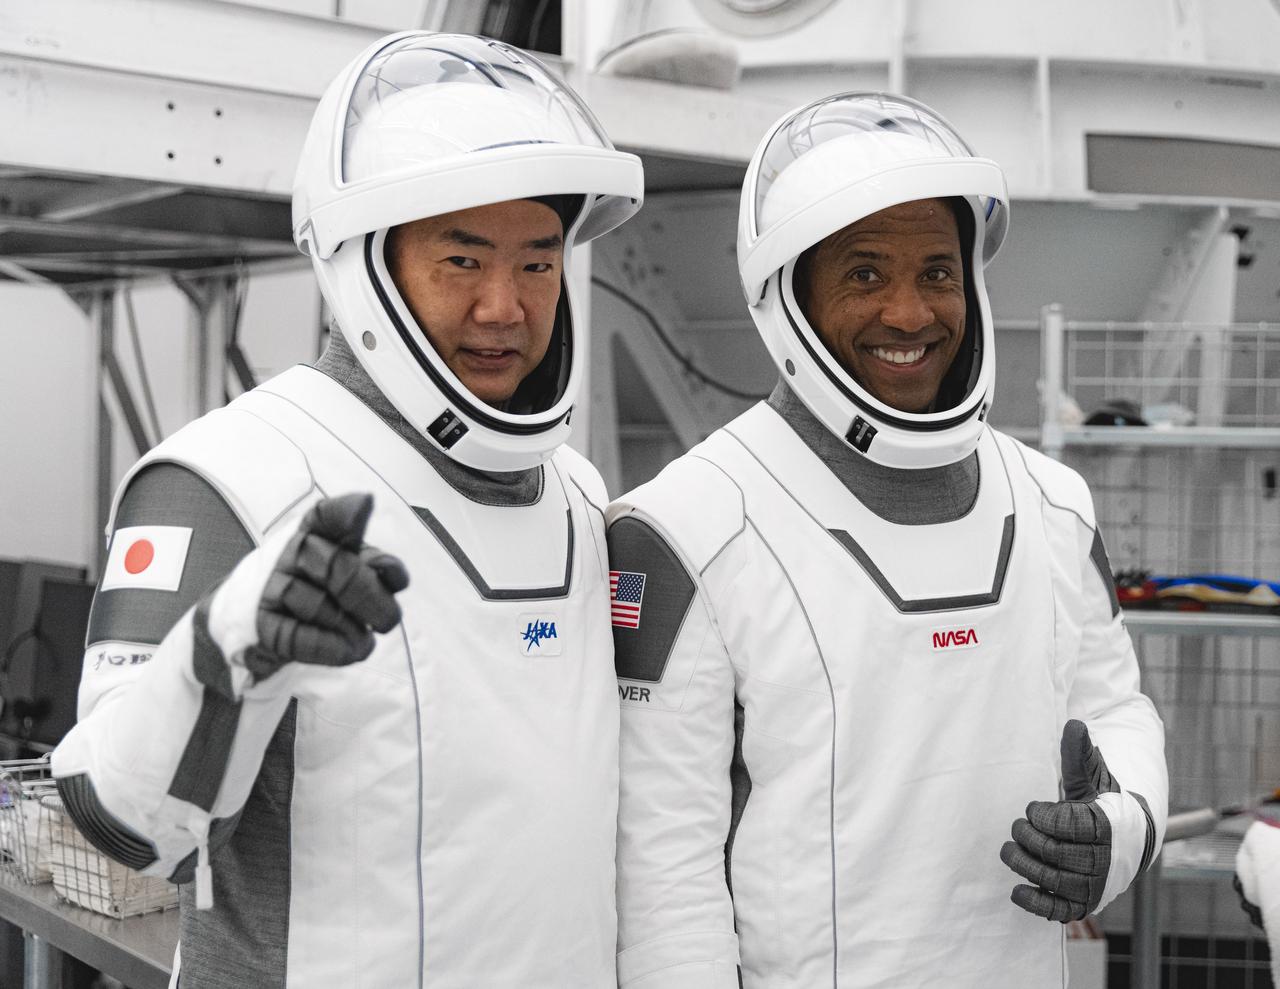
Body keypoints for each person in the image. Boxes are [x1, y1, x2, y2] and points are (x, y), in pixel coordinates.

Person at [51, 32, 642, 989]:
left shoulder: (577, 492)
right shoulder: (227, 475)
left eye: (539, 264)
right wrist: (223, 652)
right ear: (364, 263)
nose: (505, 306)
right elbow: (119, 823)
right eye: (463, 259)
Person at [607, 93, 1168, 987]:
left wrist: (1122, 827)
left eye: (938, 272)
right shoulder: (687, 527)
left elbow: (1114, 707)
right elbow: (664, 873)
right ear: (787, 294)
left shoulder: (1052, 504)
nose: (910, 314)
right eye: (864, 274)